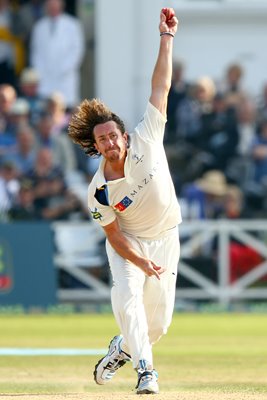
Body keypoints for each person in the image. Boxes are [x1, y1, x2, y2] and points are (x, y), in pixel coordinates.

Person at [68, 8, 180, 395]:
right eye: (102, 140)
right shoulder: (99, 191)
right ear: (95, 146)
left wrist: (166, 38)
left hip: (166, 236)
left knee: (158, 325)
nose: (110, 142)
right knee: (128, 299)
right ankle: (147, 372)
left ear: (124, 136)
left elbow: (160, 88)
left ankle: (122, 349)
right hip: (129, 245)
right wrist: (139, 260)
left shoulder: (147, 136)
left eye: (113, 135)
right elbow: (114, 235)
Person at [29, 0, 85, 110]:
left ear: (61, 5)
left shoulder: (72, 24)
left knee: (67, 110)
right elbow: (35, 52)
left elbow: (77, 50)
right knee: (46, 109)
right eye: (50, 5)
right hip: (45, 77)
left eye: (55, 4)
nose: (53, 7)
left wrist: (65, 68)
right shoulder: (39, 26)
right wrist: (39, 71)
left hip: (65, 77)